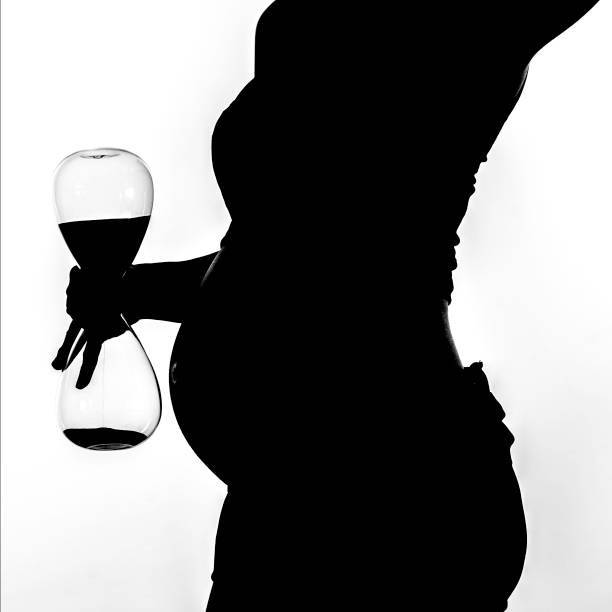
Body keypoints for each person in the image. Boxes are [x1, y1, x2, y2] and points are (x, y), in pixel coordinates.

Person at [53, 2, 603, 609]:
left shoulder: (463, 28)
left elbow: (367, 270)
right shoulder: (296, 18)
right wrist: (135, 290)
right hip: (277, 495)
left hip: (399, 488)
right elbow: (285, 257)